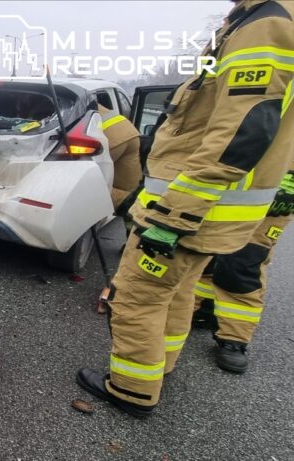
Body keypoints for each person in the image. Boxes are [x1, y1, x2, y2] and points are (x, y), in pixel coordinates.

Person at [76, 0, 294, 417]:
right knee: (175, 292)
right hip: (211, 216)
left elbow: (242, 131)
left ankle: (131, 389)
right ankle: (163, 364)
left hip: (190, 211)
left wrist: (173, 214)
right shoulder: (251, 22)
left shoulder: (266, 26)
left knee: (137, 297)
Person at [191, 170, 293, 373]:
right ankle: (206, 308)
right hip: (225, 188)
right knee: (208, 255)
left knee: (242, 265)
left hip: (269, 197)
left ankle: (234, 339)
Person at [98, 104, 143, 213]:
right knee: (127, 183)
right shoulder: (83, 94)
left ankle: (128, 209)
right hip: (127, 131)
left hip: (107, 136)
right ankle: (134, 208)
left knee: (88, 180)